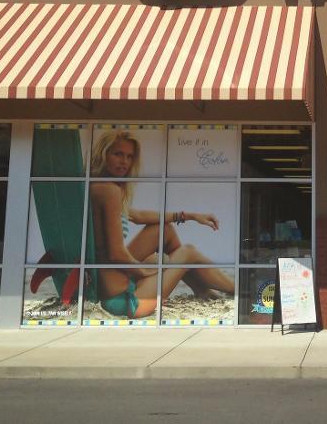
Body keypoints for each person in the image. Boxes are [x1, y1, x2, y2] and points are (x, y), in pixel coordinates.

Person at [89, 129, 235, 319]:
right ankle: (241, 290)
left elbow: (139, 216)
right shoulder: (109, 191)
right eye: (118, 154)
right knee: (188, 252)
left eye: (129, 156)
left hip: (113, 289)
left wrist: (189, 216)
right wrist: (145, 271)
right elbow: (116, 254)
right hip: (127, 302)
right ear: (103, 154)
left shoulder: (96, 187)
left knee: (163, 230)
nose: (124, 161)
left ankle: (200, 288)